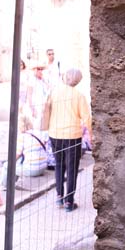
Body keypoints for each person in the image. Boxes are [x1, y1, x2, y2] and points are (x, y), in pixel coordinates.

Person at [43, 68, 92, 211]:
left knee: (59, 165)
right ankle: (69, 202)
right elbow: (87, 118)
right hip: (72, 136)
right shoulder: (79, 96)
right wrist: (92, 134)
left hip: (55, 134)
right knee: (71, 168)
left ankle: (59, 197)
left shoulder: (54, 92)